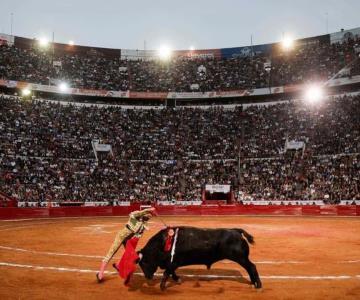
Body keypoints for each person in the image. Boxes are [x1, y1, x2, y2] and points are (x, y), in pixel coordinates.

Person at [96, 207, 156, 282]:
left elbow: (137, 237)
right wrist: (149, 210)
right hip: (121, 236)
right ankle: (100, 273)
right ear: (144, 215)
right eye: (147, 217)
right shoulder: (135, 216)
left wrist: (131, 246)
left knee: (129, 255)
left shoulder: (143, 226)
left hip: (128, 240)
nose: (148, 219)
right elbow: (140, 213)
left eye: (149, 218)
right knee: (111, 252)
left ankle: (119, 266)